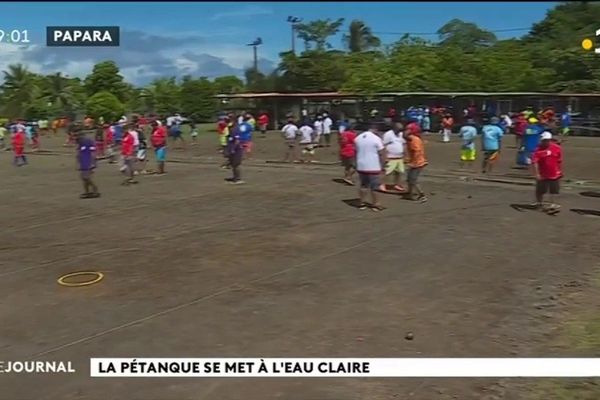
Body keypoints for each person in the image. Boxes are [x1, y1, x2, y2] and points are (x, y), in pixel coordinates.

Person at [354, 122, 386, 211]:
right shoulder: (376, 138)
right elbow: (382, 153)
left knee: (363, 185)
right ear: (374, 129)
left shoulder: (357, 138)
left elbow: (355, 152)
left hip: (361, 165)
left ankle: (362, 203)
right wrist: (383, 165)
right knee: (375, 187)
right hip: (373, 166)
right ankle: (376, 204)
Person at [531, 131, 562, 212]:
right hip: (543, 174)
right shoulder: (538, 149)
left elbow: (559, 160)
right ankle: (539, 203)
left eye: (548, 140)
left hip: (554, 173)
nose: (546, 142)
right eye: (544, 140)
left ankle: (552, 204)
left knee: (554, 190)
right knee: (540, 190)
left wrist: (560, 171)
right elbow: (535, 162)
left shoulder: (557, 148)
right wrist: (537, 173)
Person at [404, 124, 428, 202]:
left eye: (408, 130)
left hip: (417, 163)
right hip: (415, 162)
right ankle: (410, 193)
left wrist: (413, 163)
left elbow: (417, 151)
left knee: (413, 180)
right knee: (409, 179)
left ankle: (422, 195)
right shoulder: (410, 138)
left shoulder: (414, 139)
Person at [380, 122, 406, 193]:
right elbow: (384, 145)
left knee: (399, 172)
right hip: (390, 157)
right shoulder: (388, 134)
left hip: (399, 157)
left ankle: (397, 184)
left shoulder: (401, 134)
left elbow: (403, 144)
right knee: (387, 172)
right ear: (394, 128)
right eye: (398, 129)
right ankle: (382, 184)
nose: (400, 131)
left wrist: (404, 154)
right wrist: (385, 157)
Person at [75, 130, 100, 199]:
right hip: (83, 162)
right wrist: (78, 163)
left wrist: (93, 163)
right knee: (83, 178)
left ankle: (95, 189)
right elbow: (78, 154)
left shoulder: (88, 142)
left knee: (86, 177)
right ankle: (87, 192)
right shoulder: (80, 143)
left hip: (88, 162)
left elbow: (93, 153)